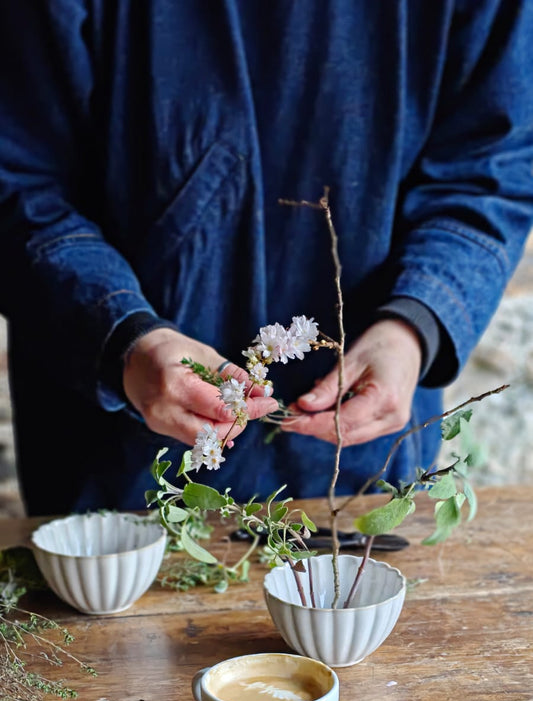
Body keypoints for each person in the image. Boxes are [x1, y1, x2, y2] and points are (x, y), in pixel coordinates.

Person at [0, 1, 532, 516]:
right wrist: (122, 335)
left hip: (357, 472)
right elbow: (18, 177)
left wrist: (417, 321)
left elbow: (495, 164)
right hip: (118, 471)